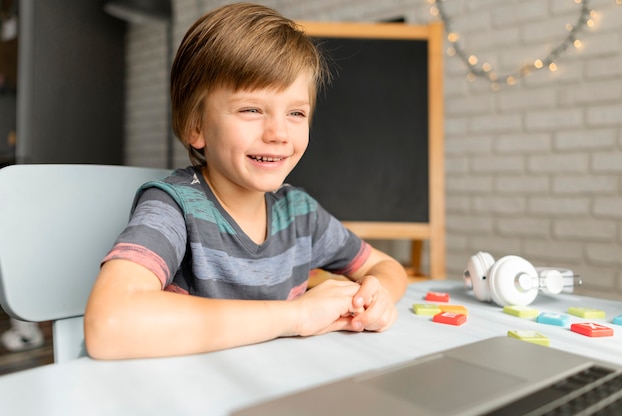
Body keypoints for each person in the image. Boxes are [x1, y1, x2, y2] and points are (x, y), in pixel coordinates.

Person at [84, 2, 407, 360]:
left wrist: (377, 296)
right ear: (196, 125)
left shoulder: (300, 214)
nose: (279, 133)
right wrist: (296, 315)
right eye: (251, 109)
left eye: (296, 113)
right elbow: (109, 324)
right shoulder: (175, 206)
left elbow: (387, 268)